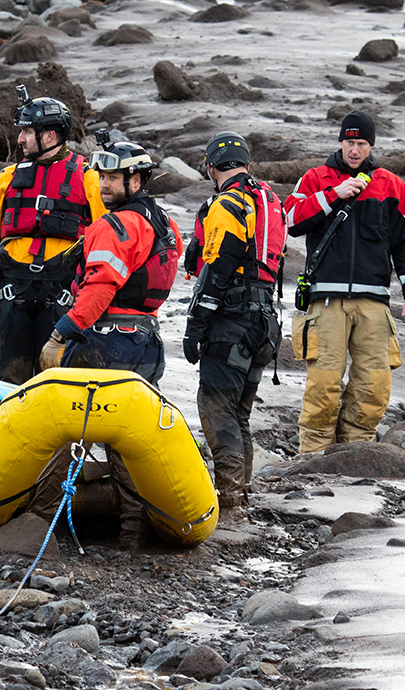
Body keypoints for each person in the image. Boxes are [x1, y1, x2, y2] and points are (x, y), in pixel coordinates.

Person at [37, 133, 184, 549]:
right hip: (147, 342)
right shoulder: (165, 222)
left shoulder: (113, 225)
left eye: (114, 179)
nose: (103, 186)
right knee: (128, 442)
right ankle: (132, 532)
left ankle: (40, 524)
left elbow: (99, 290)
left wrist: (58, 334)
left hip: (106, 342)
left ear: (136, 181)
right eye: (101, 177)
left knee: (62, 430)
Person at [285, 110, 405, 454]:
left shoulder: (391, 184)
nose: (355, 150)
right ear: (341, 142)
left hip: (374, 301)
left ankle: (354, 453)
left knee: (374, 384)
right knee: (323, 384)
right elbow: (290, 219)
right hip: (325, 301)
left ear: (371, 145)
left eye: (361, 143)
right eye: (349, 142)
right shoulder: (317, 177)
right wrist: (335, 194)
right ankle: (313, 456)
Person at [0, 85, 104, 384]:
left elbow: (106, 242)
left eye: (26, 132)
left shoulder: (90, 178)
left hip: (62, 299)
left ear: (49, 136)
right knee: (9, 380)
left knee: (57, 381)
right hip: (12, 298)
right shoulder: (5, 179)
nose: (20, 139)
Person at [183, 131, 288, 525]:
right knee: (239, 414)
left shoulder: (229, 203)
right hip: (265, 324)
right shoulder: (270, 201)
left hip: (232, 322)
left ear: (212, 168)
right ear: (247, 163)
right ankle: (241, 497)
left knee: (217, 409)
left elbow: (219, 267)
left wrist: (196, 325)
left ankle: (229, 499)